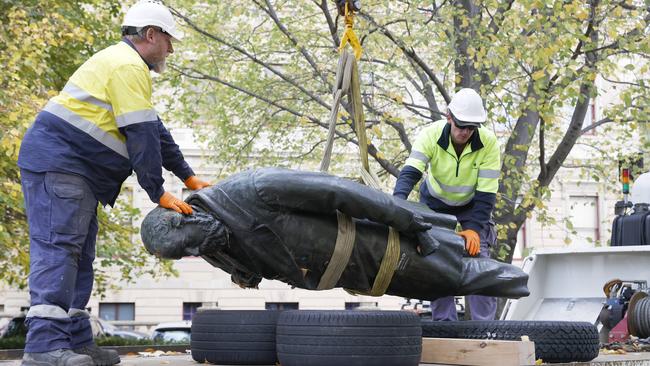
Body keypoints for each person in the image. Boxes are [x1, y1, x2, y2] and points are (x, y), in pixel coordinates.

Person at [17, 1, 209, 365]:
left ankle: (74, 341)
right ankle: (43, 348)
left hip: (74, 170)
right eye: (169, 40)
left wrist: (187, 175)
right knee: (59, 249)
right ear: (151, 35)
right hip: (61, 165)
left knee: (78, 255)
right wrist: (158, 191)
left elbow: (153, 130)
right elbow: (141, 136)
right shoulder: (125, 67)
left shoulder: (126, 67)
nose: (171, 48)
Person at [140, 168, 529, 301]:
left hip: (386, 244)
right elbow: (256, 255)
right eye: (187, 252)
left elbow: (344, 193)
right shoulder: (207, 236)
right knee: (446, 286)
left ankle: (535, 284)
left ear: (184, 213)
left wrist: (411, 223)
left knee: (462, 274)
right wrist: (245, 274)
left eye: (190, 243)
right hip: (355, 274)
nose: (196, 252)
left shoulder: (254, 189)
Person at [393, 88, 500, 321]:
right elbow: (411, 173)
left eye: (471, 128)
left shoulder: (489, 143)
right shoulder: (430, 135)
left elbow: (487, 194)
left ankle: (485, 328)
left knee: (480, 259)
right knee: (437, 259)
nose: (465, 132)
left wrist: (473, 228)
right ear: (449, 117)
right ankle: (445, 324)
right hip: (435, 204)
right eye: (461, 125)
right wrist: (396, 204)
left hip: (473, 207)